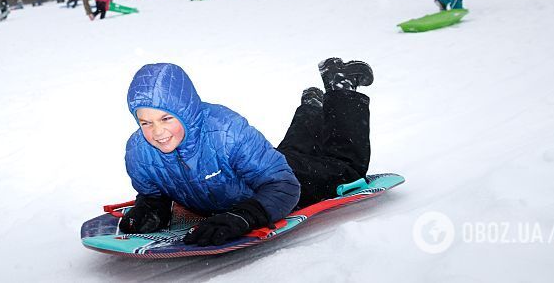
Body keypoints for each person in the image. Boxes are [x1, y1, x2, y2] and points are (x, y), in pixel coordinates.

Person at [119, 58, 374, 246]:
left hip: (283, 184)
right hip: (250, 171)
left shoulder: (228, 132)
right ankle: (311, 108)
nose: (158, 132)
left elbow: (283, 184)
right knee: (286, 154)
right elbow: (154, 190)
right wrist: (152, 207)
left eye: (166, 118)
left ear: (185, 111)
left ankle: (342, 87)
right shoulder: (139, 152)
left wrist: (243, 217)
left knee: (347, 168)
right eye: (146, 122)